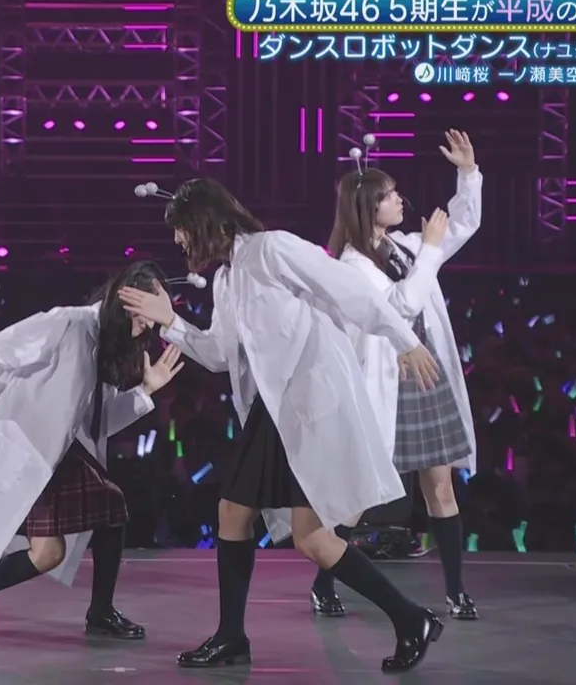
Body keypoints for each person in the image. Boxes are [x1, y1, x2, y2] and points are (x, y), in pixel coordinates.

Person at [118, 180, 443, 673]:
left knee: (305, 536)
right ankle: (233, 636)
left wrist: (404, 340)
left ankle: (409, 617)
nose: (179, 240)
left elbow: (350, 290)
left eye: (181, 229)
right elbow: (219, 354)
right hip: (276, 408)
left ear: (204, 222)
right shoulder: (228, 279)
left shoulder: (272, 249)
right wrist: (170, 321)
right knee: (238, 515)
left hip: (307, 401)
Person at [0, 261, 184, 642]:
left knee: (109, 508)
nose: (147, 328)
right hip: (25, 446)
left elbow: (99, 420)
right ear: (124, 302)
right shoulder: (67, 324)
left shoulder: (104, 344)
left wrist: (146, 391)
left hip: (55, 450)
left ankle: (100, 611)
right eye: (144, 317)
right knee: (49, 553)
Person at [310, 130, 483, 622]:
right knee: (359, 497)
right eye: (389, 195)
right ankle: (323, 583)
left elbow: (461, 224)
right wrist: (429, 251)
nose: (400, 200)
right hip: (385, 385)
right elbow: (401, 307)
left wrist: (468, 173)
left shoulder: (402, 245)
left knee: (441, 488)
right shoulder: (351, 266)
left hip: (425, 378)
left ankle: (456, 592)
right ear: (368, 207)